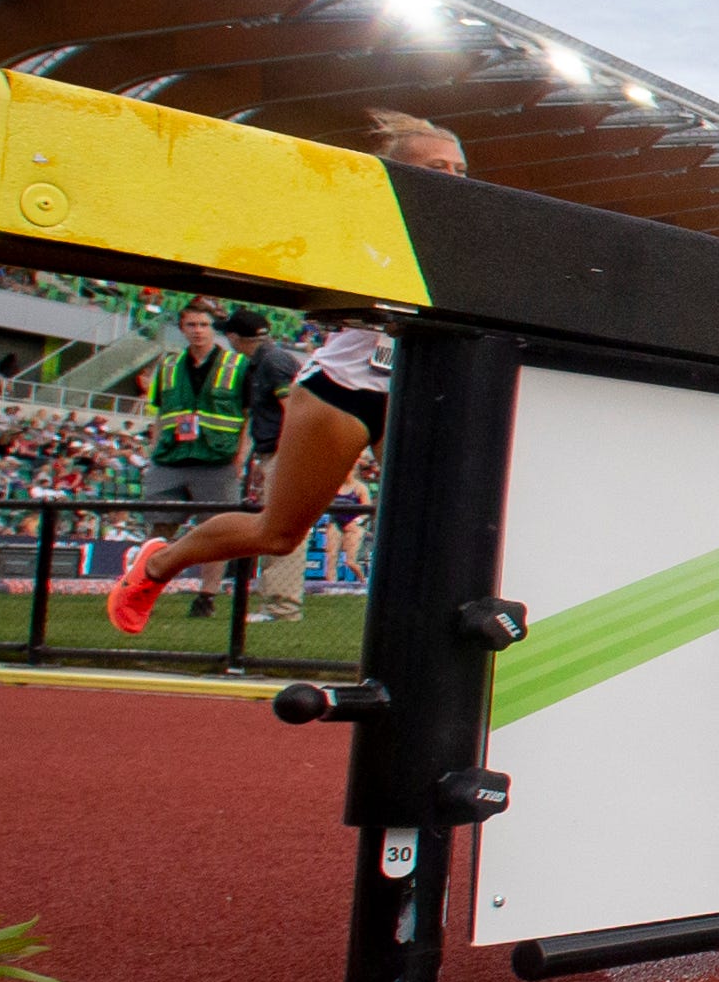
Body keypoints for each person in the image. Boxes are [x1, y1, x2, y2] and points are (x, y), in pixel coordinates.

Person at [106, 116, 471, 639]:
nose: (454, 179)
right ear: (395, 175)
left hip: (417, 387)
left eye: (460, 170)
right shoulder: (358, 225)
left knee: (434, 522)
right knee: (278, 534)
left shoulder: (472, 241)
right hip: (344, 390)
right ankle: (156, 567)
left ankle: (425, 644)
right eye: (437, 168)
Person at [134, 297, 251, 619]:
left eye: (204, 325)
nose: (198, 331)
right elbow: (160, 414)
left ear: (215, 330)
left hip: (217, 459)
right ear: (182, 328)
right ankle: (144, 590)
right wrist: (153, 453)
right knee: (157, 529)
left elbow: (246, 415)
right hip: (170, 458)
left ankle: (206, 595)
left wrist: (240, 457)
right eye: (192, 325)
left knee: (215, 533)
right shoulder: (168, 366)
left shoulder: (237, 365)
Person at [228, 306, 312, 621]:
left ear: (234, 337)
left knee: (282, 527)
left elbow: (293, 409)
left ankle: (282, 606)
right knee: (276, 524)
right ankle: (277, 603)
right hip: (275, 451)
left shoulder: (272, 362)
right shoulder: (263, 361)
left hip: (284, 451)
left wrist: (287, 457)